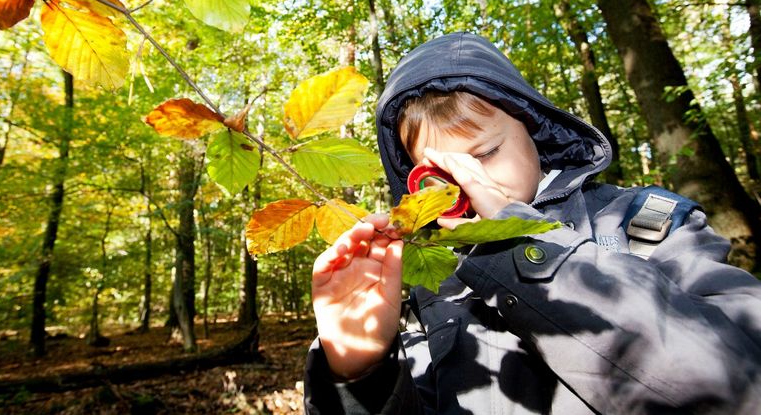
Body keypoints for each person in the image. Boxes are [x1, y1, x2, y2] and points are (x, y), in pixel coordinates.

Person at [303, 32, 761, 414]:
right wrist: (360, 373)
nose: (470, 179)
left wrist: (525, 245)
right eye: (441, 174)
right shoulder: (433, 279)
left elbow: (739, 383)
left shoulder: (640, 224)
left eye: (484, 154)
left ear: (536, 132)